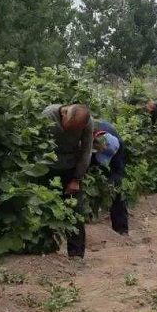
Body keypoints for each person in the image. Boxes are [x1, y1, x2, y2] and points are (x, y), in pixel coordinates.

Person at [43, 103, 94, 258]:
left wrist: (76, 179)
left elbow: (86, 151)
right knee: (44, 210)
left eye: (76, 131)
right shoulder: (47, 116)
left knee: (75, 211)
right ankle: (46, 252)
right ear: (64, 115)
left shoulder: (87, 122)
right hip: (46, 169)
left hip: (71, 170)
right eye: (70, 128)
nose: (72, 132)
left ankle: (76, 255)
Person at [91, 120, 129, 235]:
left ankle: (121, 228)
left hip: (112, 154)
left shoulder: (117, 145)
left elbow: (117, 170)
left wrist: (110, 184)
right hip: (89, 148)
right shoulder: (87, 133)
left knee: (116, 186)